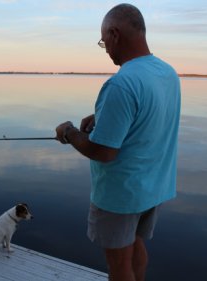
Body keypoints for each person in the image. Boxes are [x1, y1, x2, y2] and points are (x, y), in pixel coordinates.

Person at [55, 3, 181, 281]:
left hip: (121, 194)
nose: (106, 49)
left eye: (103, 42)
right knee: (135, 245)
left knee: (119, 265)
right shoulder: (167, 73)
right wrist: (103, 115)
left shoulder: (121, 84)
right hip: (153, 186)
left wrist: (69, 132)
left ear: (114, 34)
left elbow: (103, 151)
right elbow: (149, 114)